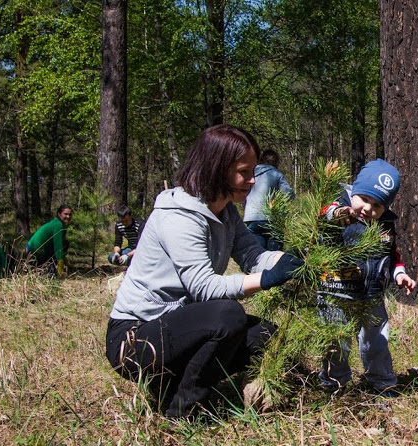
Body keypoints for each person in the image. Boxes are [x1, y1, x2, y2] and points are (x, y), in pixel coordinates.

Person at [104, 124, 305, 419]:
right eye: (243, 172)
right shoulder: (178, 217)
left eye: (253, 171)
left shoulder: (226, 212)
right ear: (217, 168)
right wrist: (267, 279)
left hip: (178, 325)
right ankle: (184, 407)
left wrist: (296, 261)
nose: (251, 180)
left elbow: (253, 255)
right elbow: (204, 287)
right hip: (135, 341)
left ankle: (173, 382)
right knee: (228, 315)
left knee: (264, 335)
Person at [317, 159, 416, 396]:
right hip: (335, 290)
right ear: (355, 190)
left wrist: (399, 273)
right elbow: (325, 214)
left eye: (377, 205)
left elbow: (391, 254)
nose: (368, 209)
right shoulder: (339, 205)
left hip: (371, 294)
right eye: (364, 199)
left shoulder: (385, 224)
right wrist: (341, 213)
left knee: (377, 341)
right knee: (335, 342)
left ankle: (382, 382)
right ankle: (334, 384)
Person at [243, 149, 295, 250]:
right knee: (274, 255)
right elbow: (288, 194)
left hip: (252, 218)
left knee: (257, 255)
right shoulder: (276, 174)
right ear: (276, 161)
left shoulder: (251, 173)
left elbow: (244, 194)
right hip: (272, 218)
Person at [25, 205, 73, 277]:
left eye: (70, 214)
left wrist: (64, 260)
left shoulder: (60, 224)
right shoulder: (58, 225)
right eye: (65, 214)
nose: (68, 217)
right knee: (64, 244)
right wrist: (60, 263)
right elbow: (58, 245)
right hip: (34, 253)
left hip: (33, 251)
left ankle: (48, 268)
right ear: (59, 214)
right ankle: (51, 271)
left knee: (65, 243)